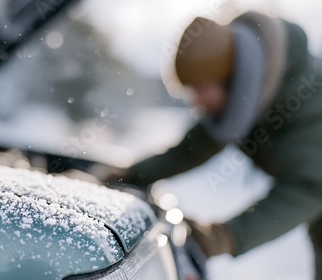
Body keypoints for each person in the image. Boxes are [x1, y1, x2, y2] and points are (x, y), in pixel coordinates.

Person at [105, 11, 322, 279]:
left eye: (201, 89)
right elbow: (189, 151)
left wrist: (224, 236)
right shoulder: (245, 95)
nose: (196, 102)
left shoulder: (308, 102)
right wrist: (126, 175)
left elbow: (309, 187)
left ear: (232, 78)